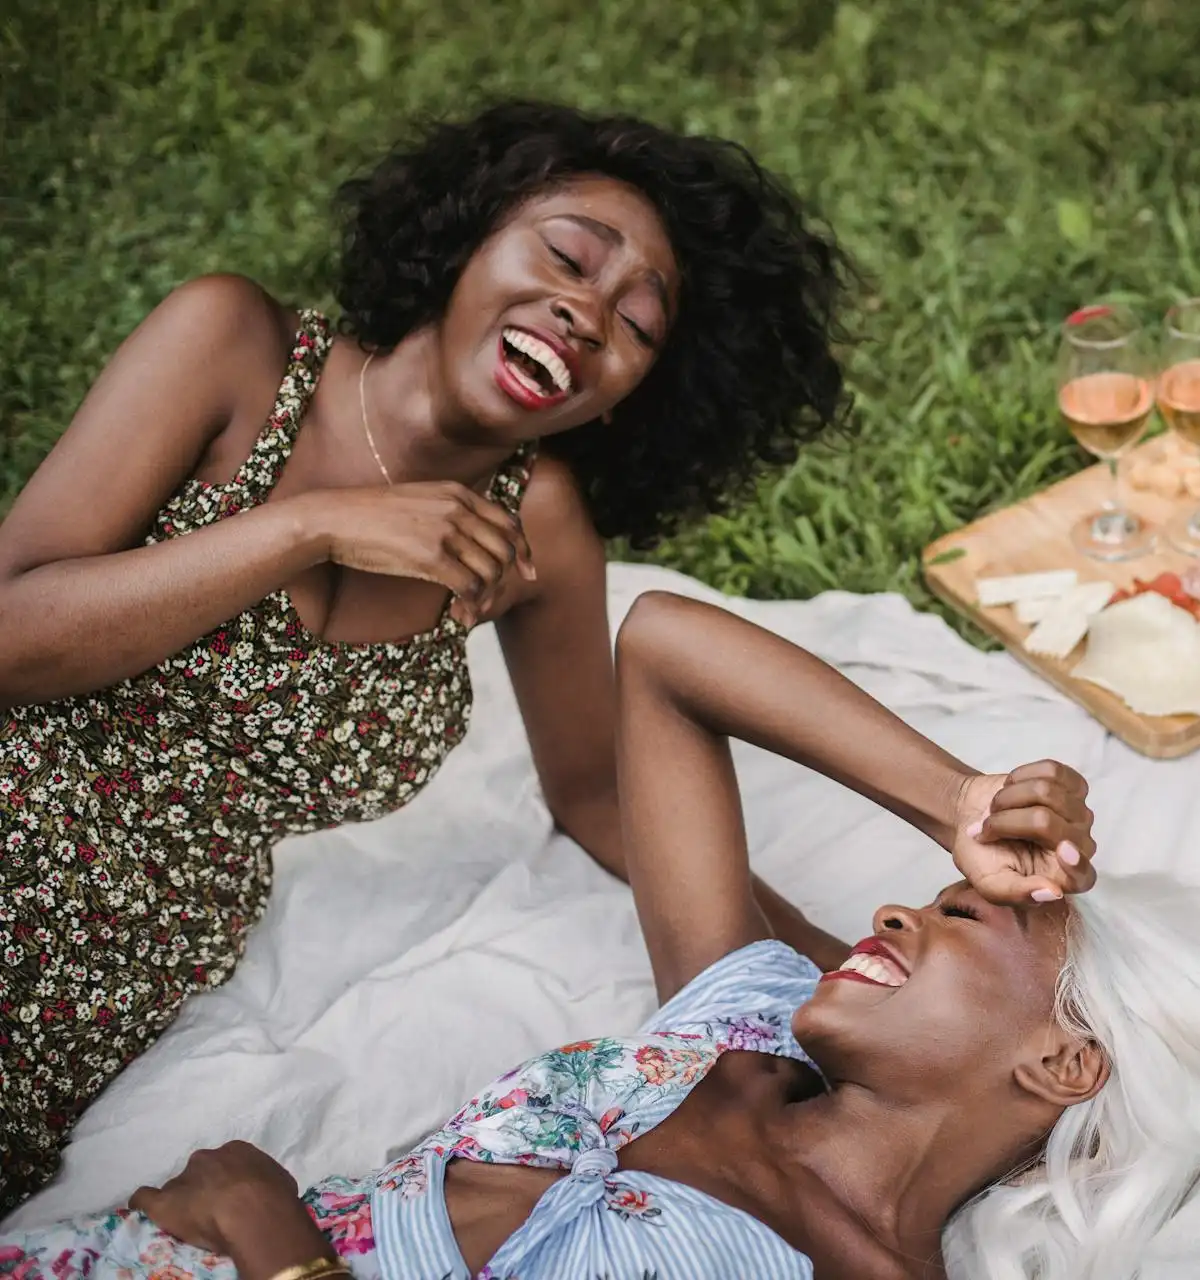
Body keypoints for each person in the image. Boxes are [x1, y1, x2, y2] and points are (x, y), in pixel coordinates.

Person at [0, 100, 854, 1210]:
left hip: (118, 970)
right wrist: (304, 529)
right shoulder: (234, 348)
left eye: (639, 326)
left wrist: (833, 978)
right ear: (467, 236)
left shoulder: (534, 522)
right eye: (566, 254)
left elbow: (600, 792)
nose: (587, 313)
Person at [0, 592, 1200, 1279]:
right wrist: (960, 802)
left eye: (958, 914)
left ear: (1063, 1062)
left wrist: (272, 1235)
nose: (897, 908)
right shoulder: (742, 1024)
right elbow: (663, 648)